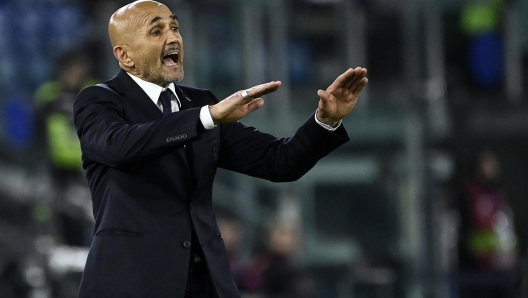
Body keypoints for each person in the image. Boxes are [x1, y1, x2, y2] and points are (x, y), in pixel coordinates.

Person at [73, 1, 368, 297]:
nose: (173, 37)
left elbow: (279, 161)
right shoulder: (99, 101)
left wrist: (325, 121)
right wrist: (207, 117)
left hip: (207, 284)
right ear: (125, 56)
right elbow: (118, 146)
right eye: (156, 31)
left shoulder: (200, 102)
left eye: (174, 27)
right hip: (130, 283)